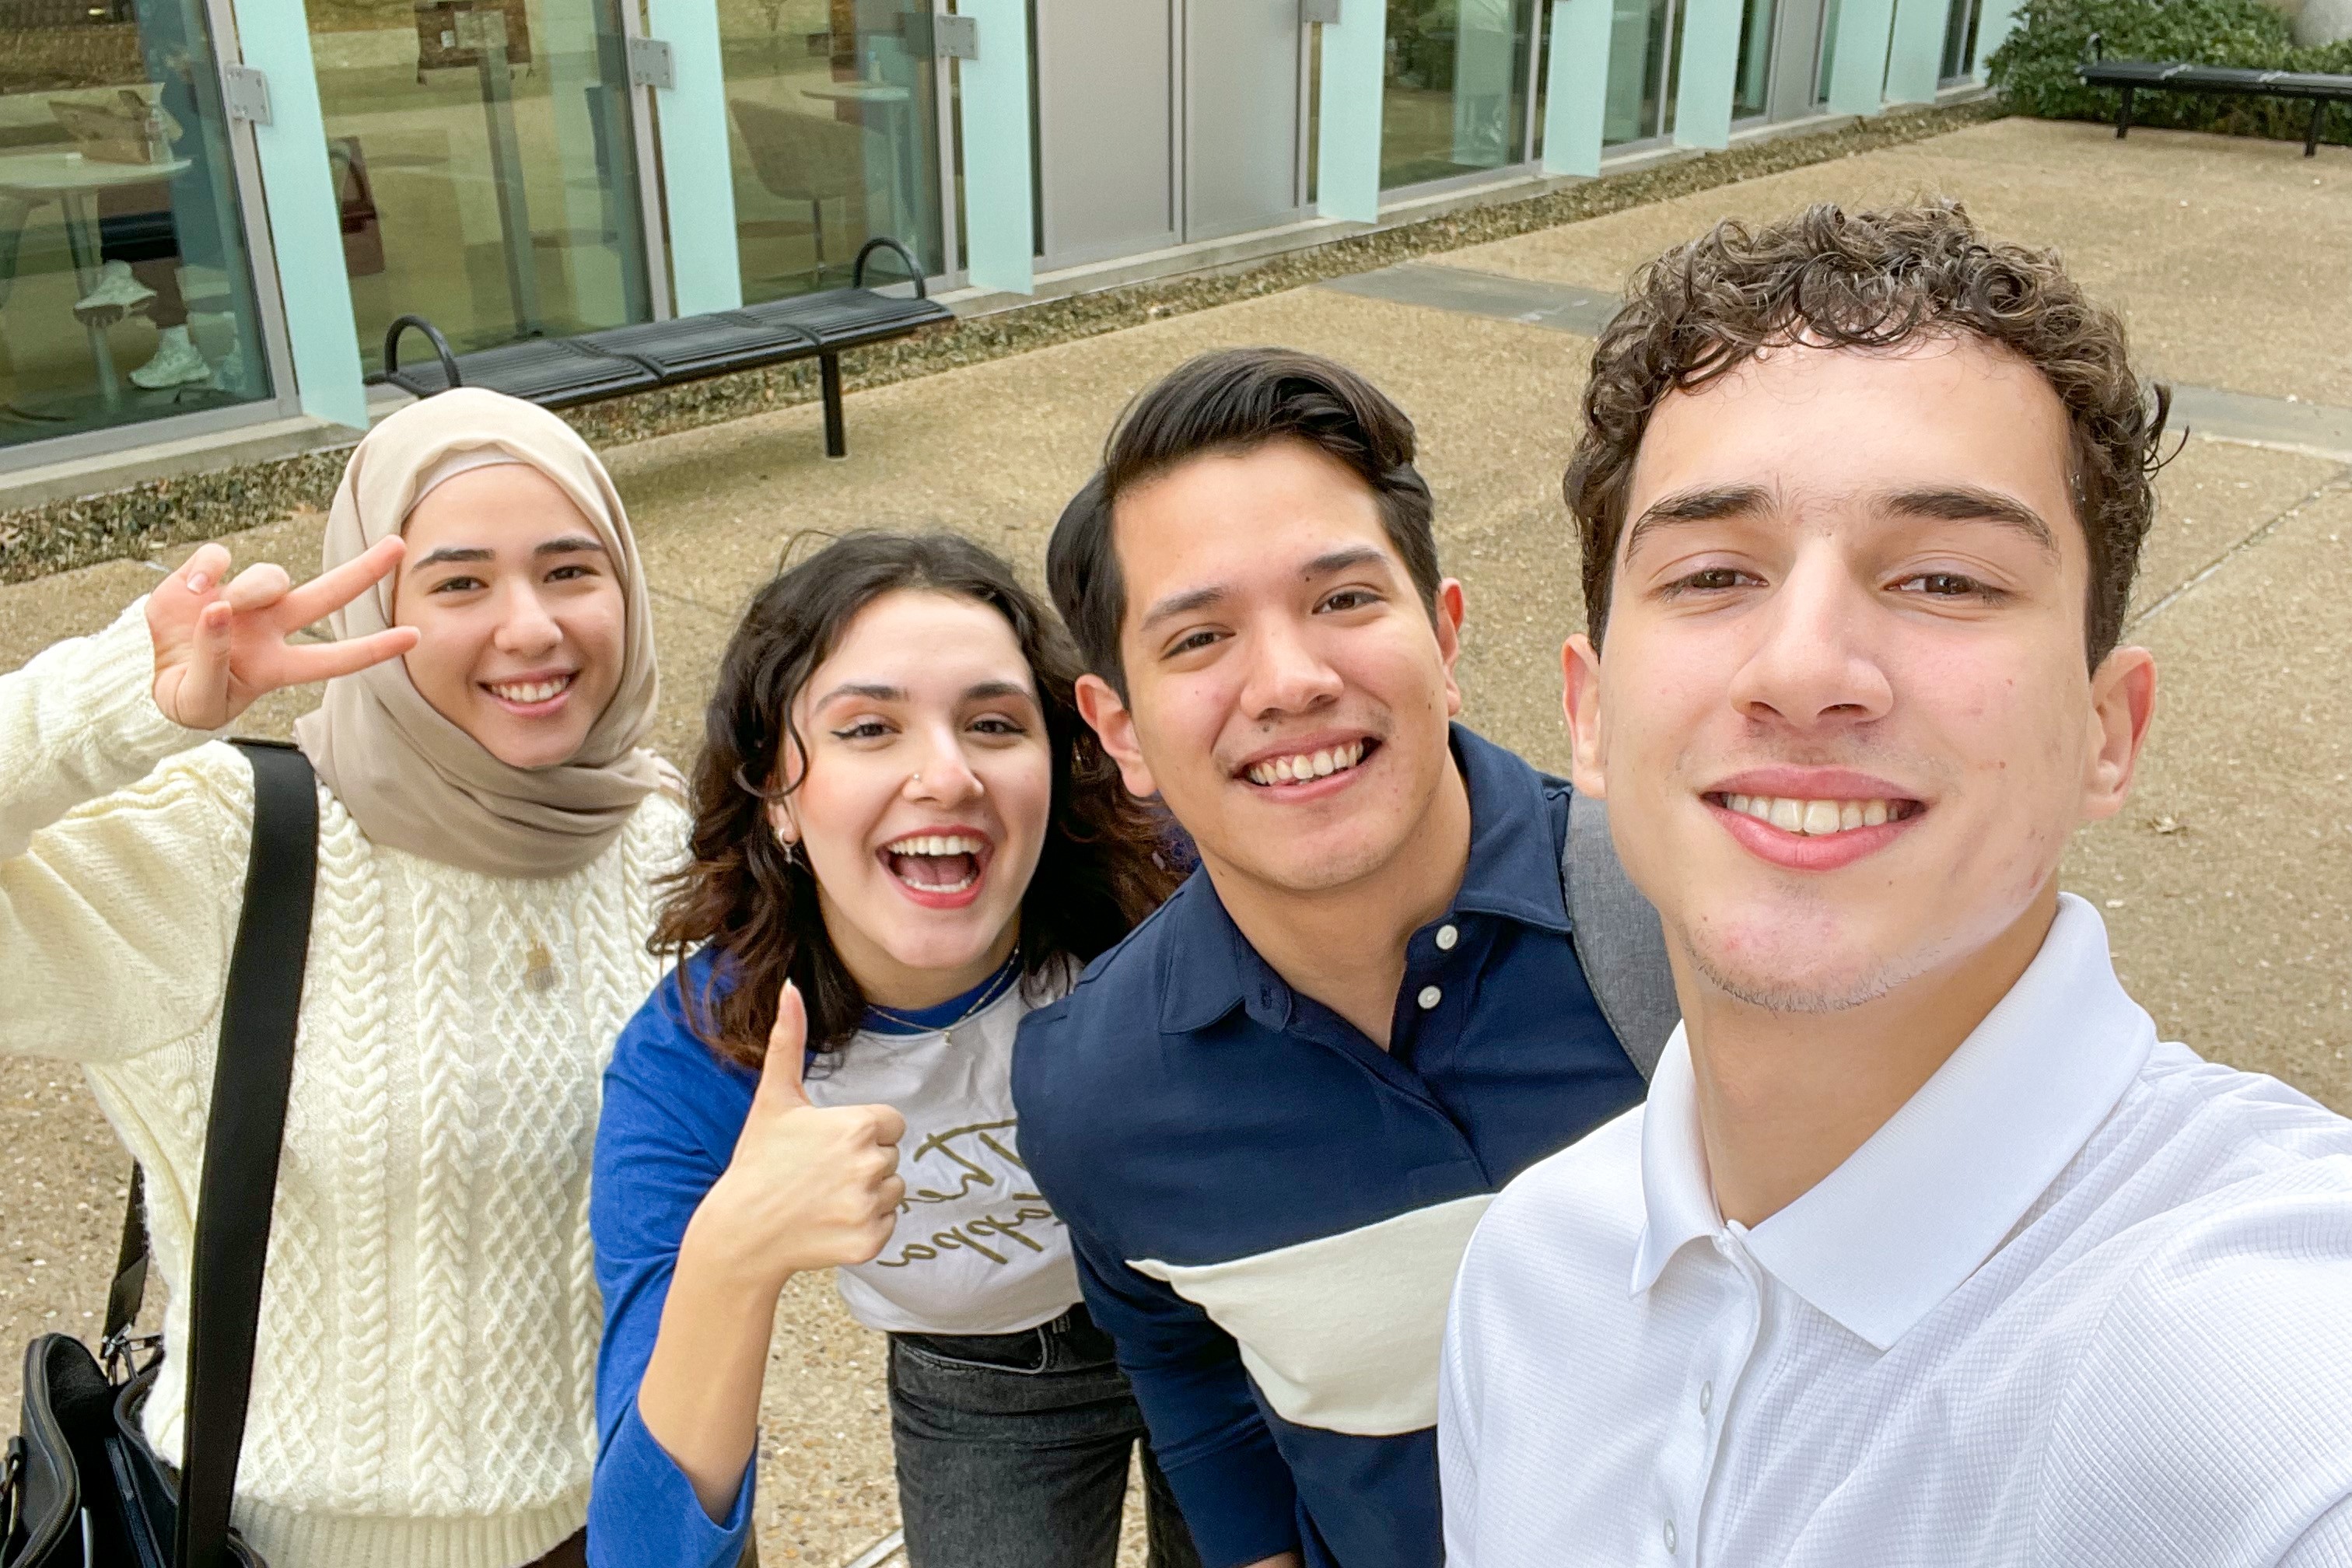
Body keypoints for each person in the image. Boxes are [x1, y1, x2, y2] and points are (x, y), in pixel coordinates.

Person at [1438, 201, 2352, 1564]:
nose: (1804, 668)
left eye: (1941, 577)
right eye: (1711, 572)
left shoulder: (2263, 1368)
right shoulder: (1529, 1273)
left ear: (2110, 733)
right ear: (1589, 718)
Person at [0, 387, 686, 1568]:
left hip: (626, 1525)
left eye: (571, 571)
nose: (530, 629)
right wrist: (121, 704)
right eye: (460, 583)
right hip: (277, 1541)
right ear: (376, 600)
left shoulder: (661, 839)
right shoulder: (226, 845)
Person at [1009, 348, 1668, 1568]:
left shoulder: (1692, 919)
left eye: (1345, 601)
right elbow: (1181, 1357)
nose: (1293, 681)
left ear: (1445, 634)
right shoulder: (1093, 1091)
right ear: (1121, 733)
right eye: (1199, 637)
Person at [588, 532, 1199, 1568]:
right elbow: (640, 1548)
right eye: (869, 727)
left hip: (1207, 1316)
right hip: (982, 1375)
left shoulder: (1162, 897)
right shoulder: (708, 1053)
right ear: (776, 791)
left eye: (995, 724)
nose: (946, 774)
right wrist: (733, 1255)